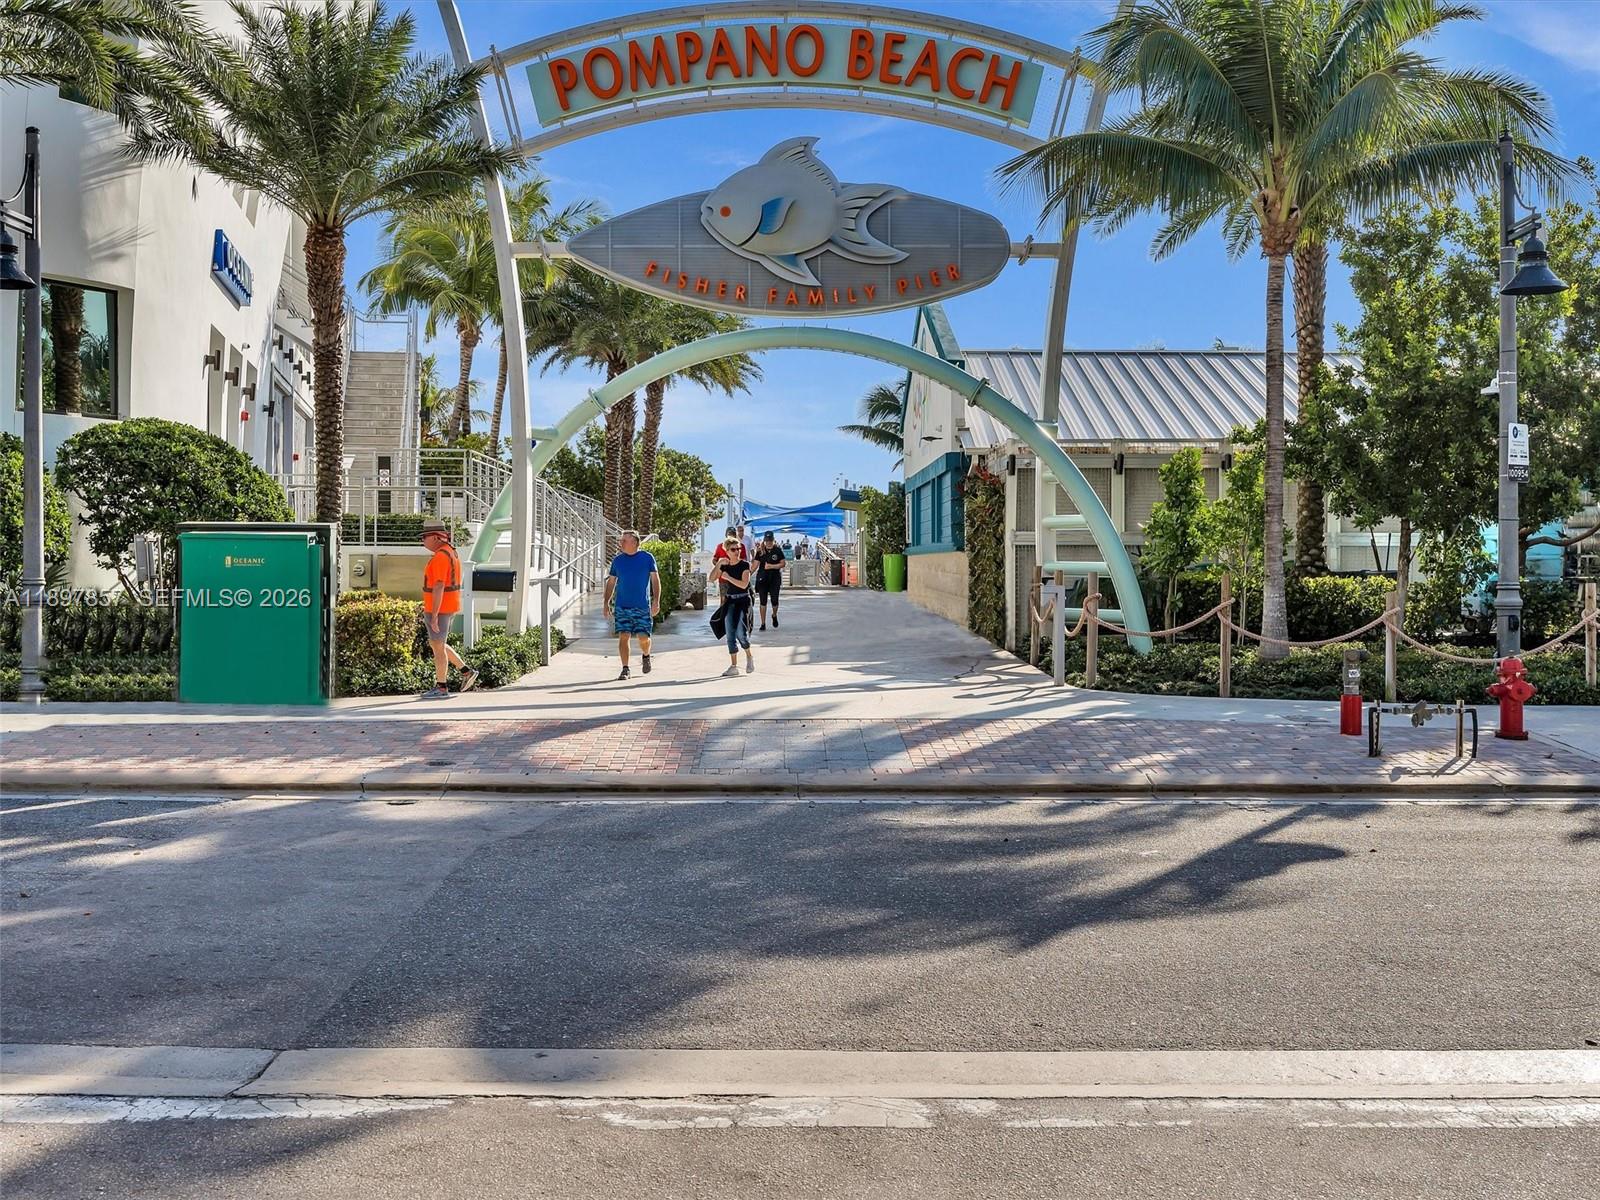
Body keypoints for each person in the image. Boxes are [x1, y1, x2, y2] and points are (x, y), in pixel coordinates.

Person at [419, 518, 477, 700]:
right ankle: (466, 671)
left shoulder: (441, 556)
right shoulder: (450, 552)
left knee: (438, 647)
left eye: (424, 537)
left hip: (440, 608)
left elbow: (438, 586)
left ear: (436, 537)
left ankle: (442, 687)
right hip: (447, 606)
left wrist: (434, 615)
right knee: (438, 644)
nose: (422, 540)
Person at [604, 530, 661, 681]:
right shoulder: (618, 561)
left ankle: (646, 655)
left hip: (642, 606)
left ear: (634, 542)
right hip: (622, 606)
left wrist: (656, 601)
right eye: (620, 540)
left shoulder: (647, 558)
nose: (620, 543)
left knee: (643, 638)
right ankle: (625, 669)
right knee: (624, 636)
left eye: (624, 540)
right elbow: (611, 582)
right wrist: (606, 602)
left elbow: (655, 580)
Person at [708, 534, 754, 676]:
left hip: (743, 601)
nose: (737, 552)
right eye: (733, 549)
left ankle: (749, 656)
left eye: (738, 549)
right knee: (730, 633)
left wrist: (728, 577)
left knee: (741, 633)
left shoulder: (744, 565)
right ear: (727, 551)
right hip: (730, 602)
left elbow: (744, 584)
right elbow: (711, 578)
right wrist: (718, 564)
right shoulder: (725, 565)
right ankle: (734, 666)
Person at [753, 530, 786, 630]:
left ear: (773, 540)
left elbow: (783, 563)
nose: (769, 542)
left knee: (774, 601)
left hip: (774, 579)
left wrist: (772, 566)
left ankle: (774, 615)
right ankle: (763, 623)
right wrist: (748, 573)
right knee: (763, 602)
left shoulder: (777, 550)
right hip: (762, 579)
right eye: (767, 540)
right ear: (764, 540)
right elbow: (755, 565)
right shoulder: (760, 551)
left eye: (770, 540)